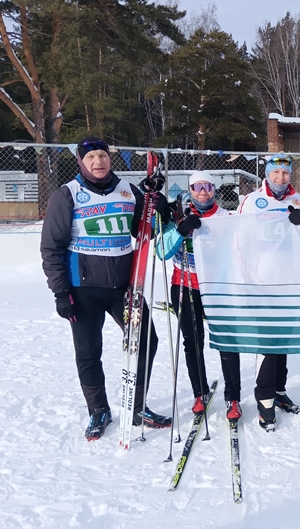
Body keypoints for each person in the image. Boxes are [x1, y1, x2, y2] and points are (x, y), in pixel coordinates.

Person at [40, 137, 172, 440]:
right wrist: (61, 292)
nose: (98, 162)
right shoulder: (67, 195)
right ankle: (98, 409)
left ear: (110, 159)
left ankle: (137, 406)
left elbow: (144, 228)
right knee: (88, 351)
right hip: (82, 288)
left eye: (102, 156)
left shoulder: (128, 190)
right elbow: (51, 248)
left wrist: (158, 205)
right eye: (90, 158)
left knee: (146, 341)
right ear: (80, 162)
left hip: (124, 287)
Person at [156, 171, 242, 420]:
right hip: (185, 285)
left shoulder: (226, 218)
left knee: (227, 342)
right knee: (192, 342)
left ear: (214, 189)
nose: (203, 192)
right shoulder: (178, 216)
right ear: (190, 190)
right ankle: (199, 393)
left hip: (218, 288)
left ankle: (233, 398)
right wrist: (181, 230)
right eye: (197, 187)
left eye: (208, 187)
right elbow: (161, 252)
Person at [238, 155, 300, 431]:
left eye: (285, 172)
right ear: (267, 174)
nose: (280, 177)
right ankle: (264, 398)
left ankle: (279, 390)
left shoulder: (299, 201)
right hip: (261, 282)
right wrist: (245, 278)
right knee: (268, 342)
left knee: (283, 341)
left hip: (289, 282)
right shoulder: (252, 200)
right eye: (276, 172)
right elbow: (238, 240)